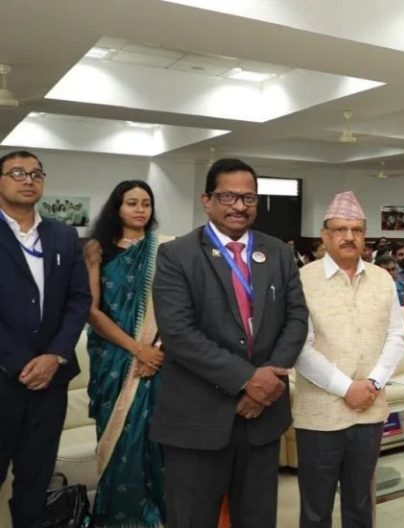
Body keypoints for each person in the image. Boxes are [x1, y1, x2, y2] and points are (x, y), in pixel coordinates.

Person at [151, 158, 308, 528]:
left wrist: (267, 382)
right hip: (198, 419)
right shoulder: (177, 255)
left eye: (248, 198)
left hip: (263, 419)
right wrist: (248, 380)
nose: (239, 206)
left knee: (257, 520)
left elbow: (297, 318)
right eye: (228, 196)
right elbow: (178, 334)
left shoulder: (279, 252)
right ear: (207, 200)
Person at [294, 191, 404, 528]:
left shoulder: (382, 279)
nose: (349, 237)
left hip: (369, 410)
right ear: (324, 235)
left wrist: (372, 383)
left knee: (360, 503)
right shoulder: (302, 279)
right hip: (319, 414)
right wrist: (347, 388)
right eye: (340, 230)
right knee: (316, 507)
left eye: (357, 230)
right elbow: (300, 347)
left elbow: (396, 336)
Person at [0, 150, 91, 527]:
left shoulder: (63, 235)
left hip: (51, 380)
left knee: (35, 480)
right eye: (17, 173)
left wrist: (55, 355)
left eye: (36, 173)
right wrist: (19, 361)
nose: (28, 180)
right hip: (3, 376)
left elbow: (79, 299)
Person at [84, 180, 170, 527]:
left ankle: (157, 518)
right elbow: (91, 310)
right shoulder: (97, 249)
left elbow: (175, 308)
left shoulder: (164, 250)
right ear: (117, 207)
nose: (140, 210)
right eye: (131, 203)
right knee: (120, 442)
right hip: (113, 358)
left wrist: (156, 351)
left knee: (154, 443)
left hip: (158, 360)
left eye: (146, 203)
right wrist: (137, 350)